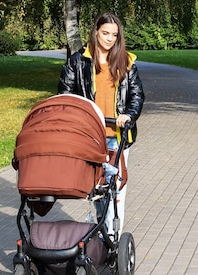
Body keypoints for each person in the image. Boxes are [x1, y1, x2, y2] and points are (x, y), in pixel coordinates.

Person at [58, 12, 144, 238]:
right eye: (105, 33)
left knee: (116, 190)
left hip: (117, 136)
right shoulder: (78, 62)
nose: (109, 39)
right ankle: (101, 230)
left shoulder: (126, 62)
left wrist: (129, 115)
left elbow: (136, 95)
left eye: (114, 35)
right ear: (95, 31)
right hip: (90, 138)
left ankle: (113, 239)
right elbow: (65, 96)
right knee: (96, 188)